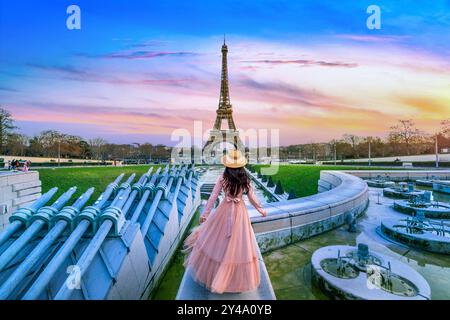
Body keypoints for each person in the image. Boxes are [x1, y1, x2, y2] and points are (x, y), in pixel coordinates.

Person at [183, 150, 267, 294]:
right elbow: (252, 197)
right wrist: (260, 210)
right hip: (240, 212)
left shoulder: (223, 177)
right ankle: (233, 278)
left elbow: (213, 197)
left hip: (225, 210)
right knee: (239, 244)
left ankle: (218, 275)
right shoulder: (245, 179)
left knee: (218, 241)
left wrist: (205, 214)